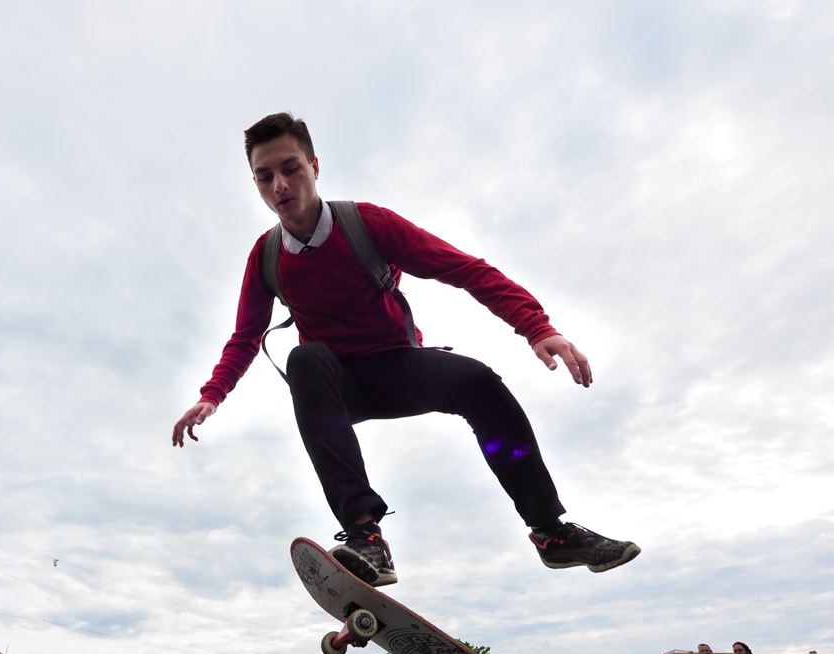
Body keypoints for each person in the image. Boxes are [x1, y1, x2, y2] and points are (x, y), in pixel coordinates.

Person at [172, 112, 641, 587]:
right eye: (264, 176)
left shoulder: (367, 224)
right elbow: (245, 336)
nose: (280, 185)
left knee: (478, 381)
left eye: (291, 168)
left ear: (315, 166)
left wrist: (536, 327)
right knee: (304, 359)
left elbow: (465, 269)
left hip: (398, 367)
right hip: (337, 387)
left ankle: (552, 533)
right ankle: (365, 539)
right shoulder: (266, 256)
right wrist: (213, 395)